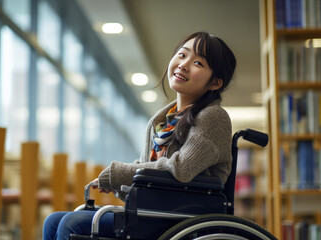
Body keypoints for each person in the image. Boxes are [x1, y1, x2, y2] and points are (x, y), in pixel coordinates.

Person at [43, 31, 237, 240]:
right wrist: (116, 182)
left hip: (179, 218)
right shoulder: (167, 120)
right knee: (53, 220)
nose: (183, 64)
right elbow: (150, 172)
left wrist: (118, 174)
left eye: (198, 63)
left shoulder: (213, 116)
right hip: (155, 211)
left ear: (215, 83)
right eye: (182, 55)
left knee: (72, 223)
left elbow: (181, 168)